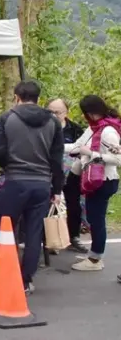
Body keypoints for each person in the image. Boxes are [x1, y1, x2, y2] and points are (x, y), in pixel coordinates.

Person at [0, 80, 64, 295]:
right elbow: (56, 159)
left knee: (1, 227)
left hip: (15, 181)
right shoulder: (53, 122)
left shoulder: (7, 118)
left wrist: (9, 165)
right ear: (38, 98)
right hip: (42, 183)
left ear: (16, 97)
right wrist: (56, 189)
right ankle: (25, 281)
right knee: (33, 231)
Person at [65, 95, 121, 272]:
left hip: (104, 181)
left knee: (96, 220)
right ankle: (94, 253)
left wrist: (93, 154)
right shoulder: (93, 129)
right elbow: (77, 145)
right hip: (92, 180)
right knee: (93, 218)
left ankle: (95, 259)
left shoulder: (108, 131)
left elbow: (118, 159)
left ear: (89, 113)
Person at [48, 98, 88, 252]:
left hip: (72, 173)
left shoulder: (75, 129)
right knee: (51, 204)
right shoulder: (43, 128)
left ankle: (74, 237)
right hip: (51, 173)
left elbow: (83, 149)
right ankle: (52, 239)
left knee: (74, 204)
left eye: (57, 112)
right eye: (50, 112)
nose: (54, 115)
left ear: (66, 113)